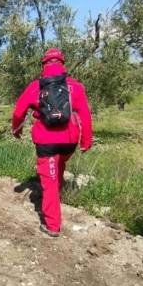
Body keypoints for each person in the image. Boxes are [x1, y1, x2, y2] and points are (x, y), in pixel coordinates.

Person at [11, 48, 93, 237]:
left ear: (43, 66)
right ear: (62, 64)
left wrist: (17, 129)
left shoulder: (35, 86)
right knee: (59, 166)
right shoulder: (76, 86)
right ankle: (56, 197)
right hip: (70, 141)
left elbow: (18, 112)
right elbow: (86, 116)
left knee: (48, 180)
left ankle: (52, 225)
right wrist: (86, 141)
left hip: (46, 141)